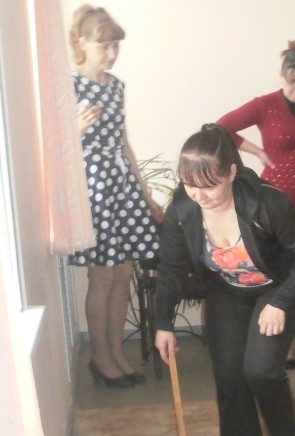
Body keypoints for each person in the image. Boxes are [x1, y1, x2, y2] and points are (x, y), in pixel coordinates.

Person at [153, 125, 295, 436]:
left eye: (209, 185)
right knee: (230, 378)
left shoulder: (266, 203)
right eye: (189, 184)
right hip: (228, 292)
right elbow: (171, 268)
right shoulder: (183, 210)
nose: (199, 195)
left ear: (231, 172)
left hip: (279, 288)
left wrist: (280, 302)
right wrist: (163, 323)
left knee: (261, 371)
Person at [217, 41, 295, 370]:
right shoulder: (265, 105)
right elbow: (222, 127)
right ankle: (283, 344)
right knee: (280, 272)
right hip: (276, 201)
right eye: (292, 82)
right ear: (282, 77)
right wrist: (257, 152)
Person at [68, 5, 162, 388]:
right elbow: (52, 153)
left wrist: (146, 195)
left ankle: (118, 354)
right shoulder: (69, 86)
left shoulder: (116, 87)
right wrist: (74, 130)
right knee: (102, 276)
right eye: (103, 46)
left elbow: (124, 144)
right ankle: (100, 357)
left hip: (122, 186)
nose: (111, 54)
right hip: (93, 188)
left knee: (123, 273)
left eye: (115, 47)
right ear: (81, 43)